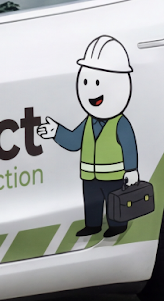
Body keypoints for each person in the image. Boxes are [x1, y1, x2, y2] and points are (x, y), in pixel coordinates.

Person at [36, 35, 140, 237]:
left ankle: (117, 226)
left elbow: (129, 146)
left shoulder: (120, 123)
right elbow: (75, 141)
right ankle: (93, 225)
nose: (92, 90)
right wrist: (56, 132)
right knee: (92, 202)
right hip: (89, 176)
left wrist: (132, 170)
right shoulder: (88, 122)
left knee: (114, 203)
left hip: (113, 176)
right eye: (86, 82)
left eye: (98, 82)